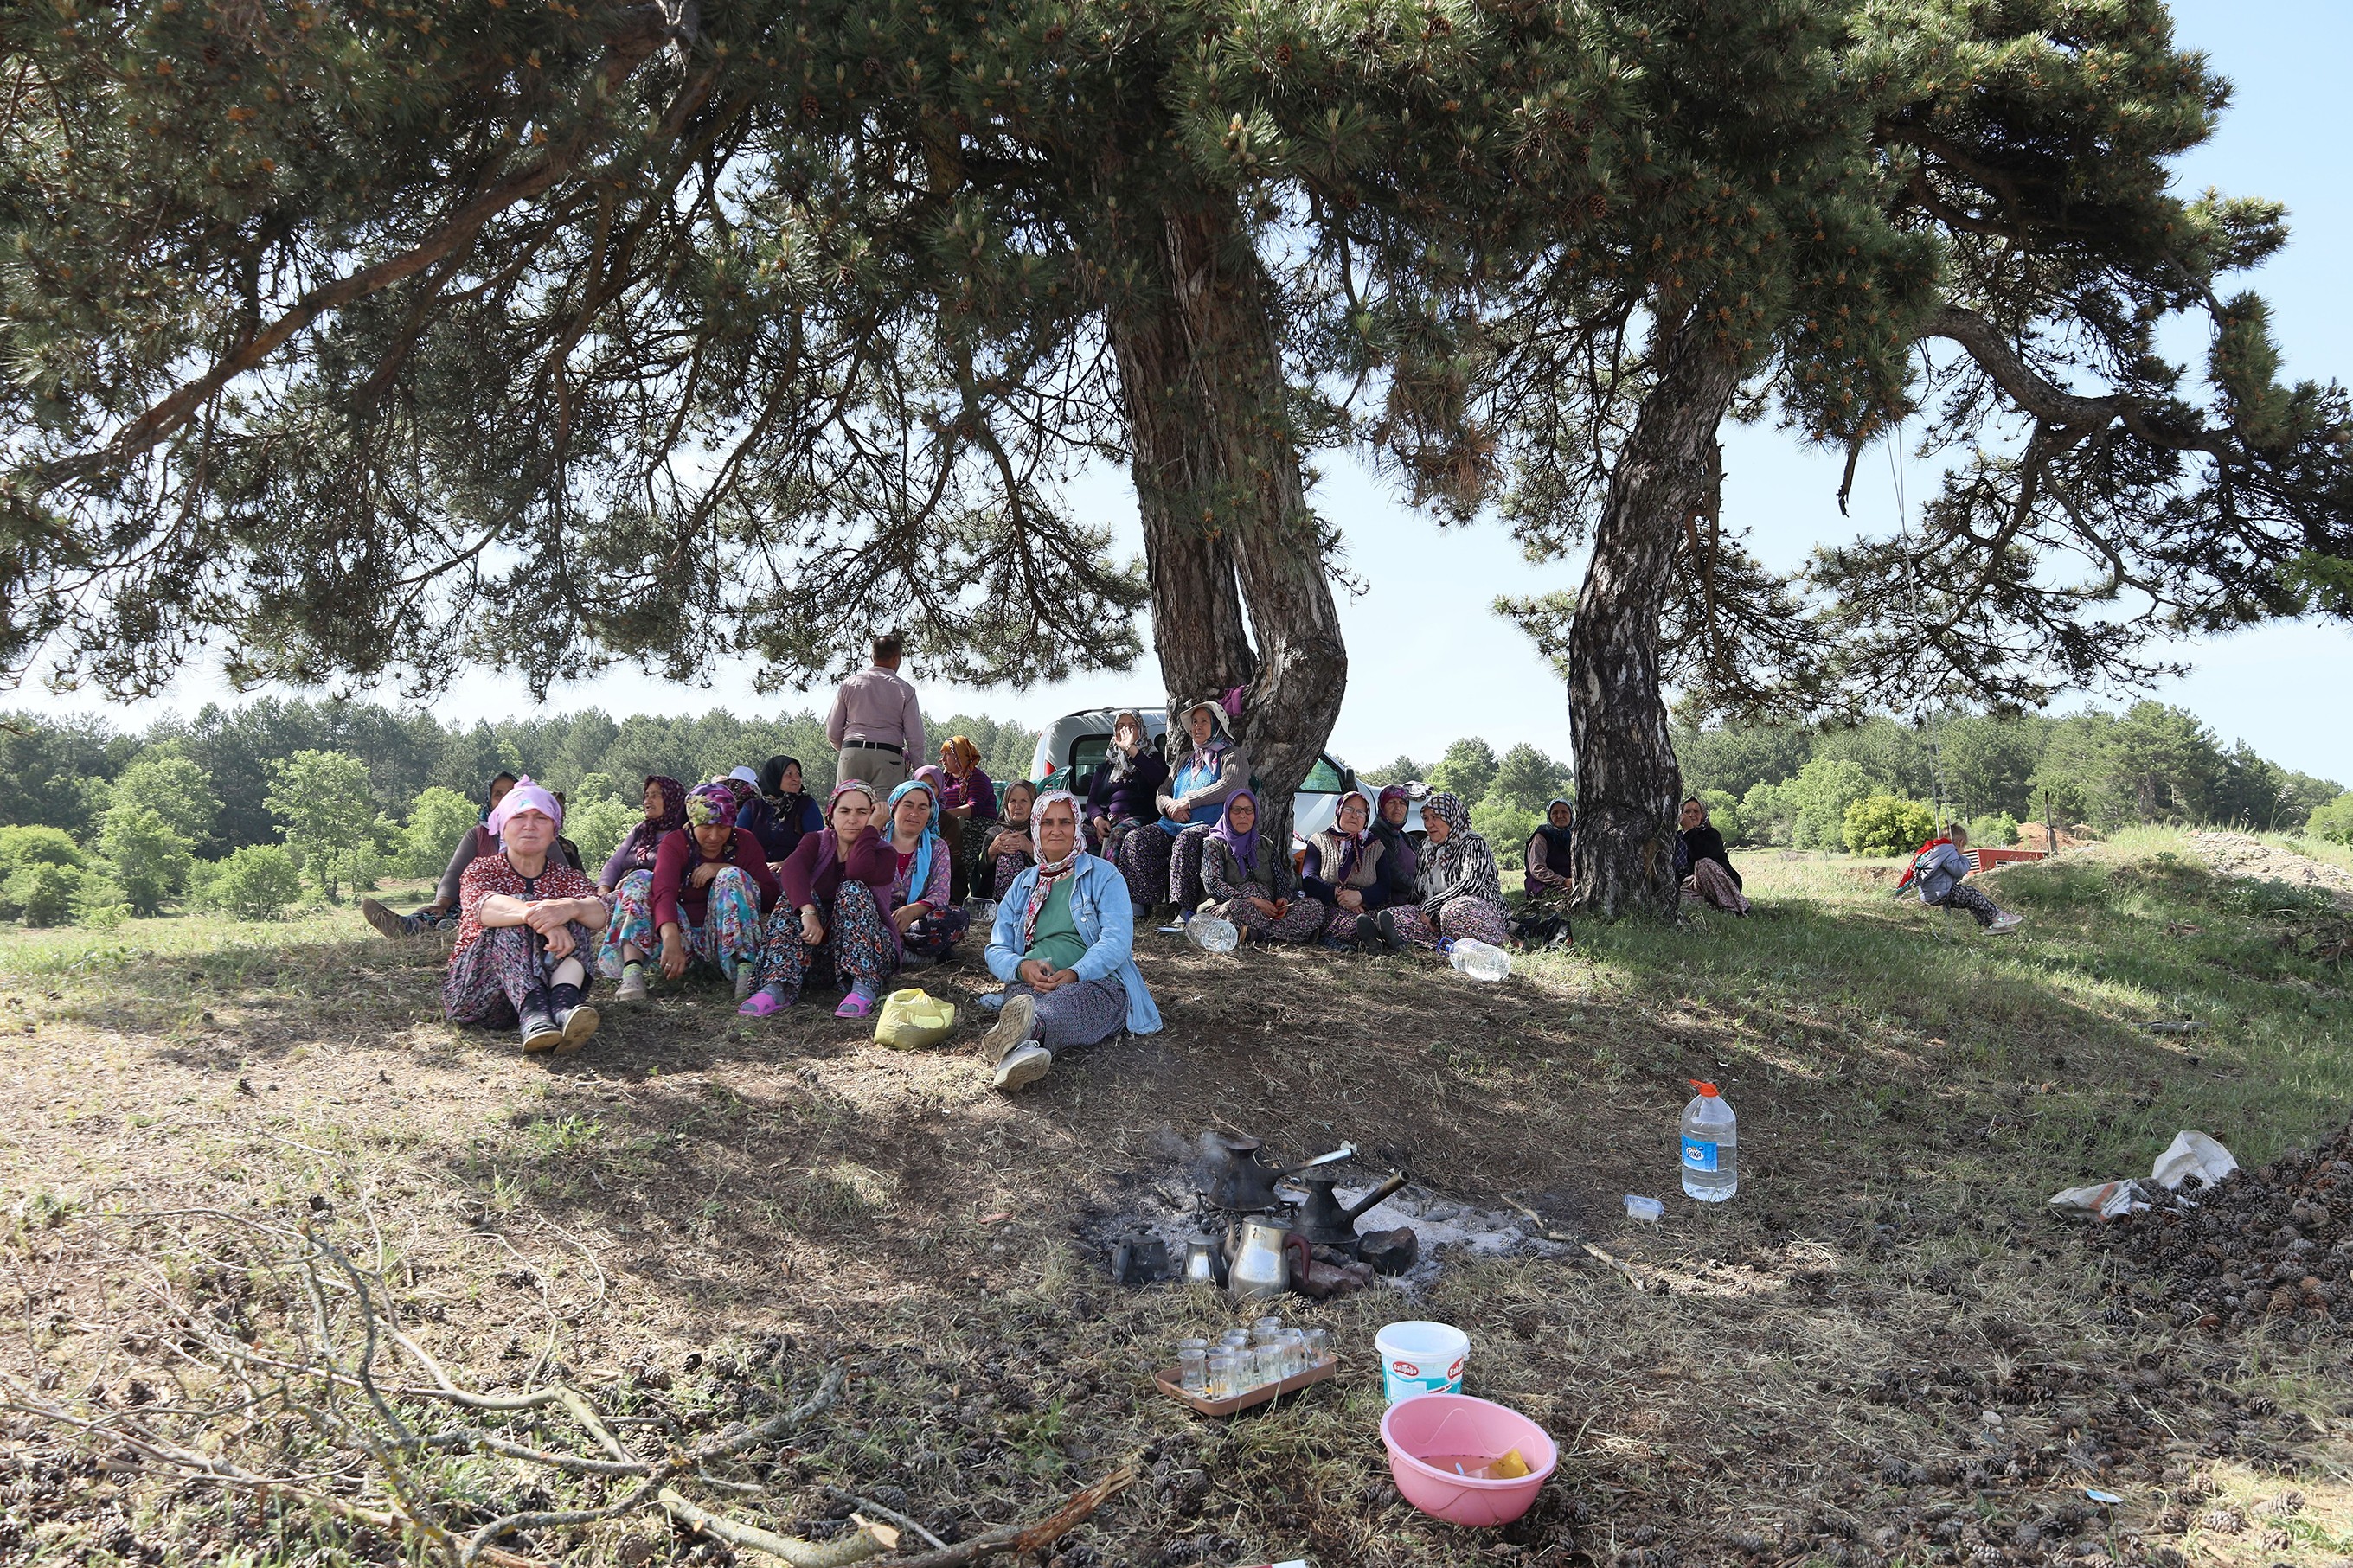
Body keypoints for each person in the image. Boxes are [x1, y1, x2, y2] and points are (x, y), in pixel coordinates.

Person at [979, 790, 1164, 1091]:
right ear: (1035, 828)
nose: (1056, 830)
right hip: (1031, 983)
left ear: (1077, 827)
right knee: (1026, 999)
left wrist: (1077, 972)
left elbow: (1116, 941)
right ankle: (1022, 1050)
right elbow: (996, 948)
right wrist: (1022, 967)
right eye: (1047, 822)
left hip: (1096, 981)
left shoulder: (1104, 875)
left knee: (1070, 1003)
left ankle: (1025, 1034)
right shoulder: (1023, 883)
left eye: (1065, 822)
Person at [440, 778, 609, 1053]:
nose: (529, 825)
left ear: (554, 831)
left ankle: (563, 1007)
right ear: (502, 829)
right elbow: (482, 907)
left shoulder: (566, 877)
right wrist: (538, 914)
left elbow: (601, 913)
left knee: (573, 909)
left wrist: (568, 908)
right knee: (517, 914)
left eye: (540, 818)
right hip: (482, 994)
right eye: (519, 817)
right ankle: (534, 1015)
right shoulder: (482, 869)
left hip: (552, 989)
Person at [599, 782, 780, 1002]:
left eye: (722, 827)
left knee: (732, 876)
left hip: (722, 941)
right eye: (706, 826)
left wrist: (724, 869)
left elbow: (770, 897)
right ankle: (632, 972)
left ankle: (745, 972)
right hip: (678, 940)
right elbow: (663, 892)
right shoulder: (676, 843)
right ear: (691, 822)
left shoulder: (745, 842)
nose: (714, 836)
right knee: (640, 879)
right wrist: (671, 938)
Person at [742, 782, 901, 1018]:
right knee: (793, 900)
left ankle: (863, 988)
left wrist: (871, 830)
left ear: (872, 816)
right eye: (844, 811)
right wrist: (808, 913)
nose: (853, 819)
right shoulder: (816, 841)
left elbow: (859, 871)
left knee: (852, 889)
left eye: (862, 812)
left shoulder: (884, 852)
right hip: (816, 957)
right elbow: (792, 870)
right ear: (832, 815)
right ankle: (777, 986)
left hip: (871, 956)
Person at [1115, 698, 1249, 918]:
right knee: (1136, 839)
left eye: (1204, 721)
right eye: (1194, 722)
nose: (1197, 726)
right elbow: (1162, 791)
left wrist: (1188, 801)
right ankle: (1139, 903)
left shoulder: (1231, 755)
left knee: (1186, 840)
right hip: (1171, 824)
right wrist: (1170, 807)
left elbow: (1231, 784)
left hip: (1209, 826)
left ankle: (1183, 908)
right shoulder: (1185, 759)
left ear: (1217, 725)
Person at [362, 771, 516, 938]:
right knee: (445, 911)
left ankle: (450, 929)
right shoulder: (478, 835)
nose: (505, 799)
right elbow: (455, 872)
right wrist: (442, 903)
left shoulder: (542, 831)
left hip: (521, 903)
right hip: (480, 900)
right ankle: (409, 926)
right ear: (490, 802)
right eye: (498, 794)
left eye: (512, 793)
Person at [1375, 790, 1510, 950]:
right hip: (1436, 914)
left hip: (1476, 910)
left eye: (1435, 818)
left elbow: (1470, 884)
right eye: (1426, 818)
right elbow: (1418, 891)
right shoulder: (1426, 847)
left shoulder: (1473, 844)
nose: (1428, 824)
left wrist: (1431, 907)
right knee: (1394, 917)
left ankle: (1498, 938)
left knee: (1454, 911)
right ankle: (1444, 941)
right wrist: (1406, 908)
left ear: (1452, 818)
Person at [1194, 788, 1325, 944]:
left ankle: (1258, 935)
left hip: (1269, 910)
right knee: (1233, 910)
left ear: (1255, 814)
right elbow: (1213, 884)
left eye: (1248, 810)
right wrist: (1252, 901)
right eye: (1236, 810)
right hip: (1231, 906)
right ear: (1227, 813)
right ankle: (1290, 934)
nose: (1243, 815)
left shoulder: (1265, 844)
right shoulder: (1214, 844)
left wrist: (1283, 899)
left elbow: (1280, 879)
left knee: (1315, 907)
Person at [881, 776, 971, 970]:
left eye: (923, 807)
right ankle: (916, 955)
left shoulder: (937, 846)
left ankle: (890, 950)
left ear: (930, 813)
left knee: (957, 917)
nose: (914, 813)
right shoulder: (876, 842)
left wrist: (910, 911)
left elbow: (940, 894)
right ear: (894, 807)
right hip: (881, 918)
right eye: (908, 805)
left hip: (917, 922)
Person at [825, 632, 926, 794]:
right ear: (896, 659)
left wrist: (847, 748)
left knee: (849, 810)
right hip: (889, 757)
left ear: (872, 656)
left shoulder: (850, 684)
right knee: (884, 812)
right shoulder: (905, 690)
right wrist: (919, 771)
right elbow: (915, 738)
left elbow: (832, 730)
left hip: (853, 752)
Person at [1301, 788, 1390, 949]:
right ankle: (1370, 940)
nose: (1354, 815)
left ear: (1366, 818)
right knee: (1345, 922)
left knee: (1376, 920)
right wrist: (1339, 895)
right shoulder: (1320, 840)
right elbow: (1308, 878)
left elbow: (1385, 885)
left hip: (1365, 905)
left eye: (1360, 812)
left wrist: (1361, 896)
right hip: (1330, 903)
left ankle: (1371, 938)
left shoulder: (1376, 846)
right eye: (1349, 809)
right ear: (1339, 811)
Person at [1899, 822, 2023, 934]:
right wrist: (1964, 859)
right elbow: (1959, 871)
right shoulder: (1949, 851)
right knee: (1973, 894)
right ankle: (1999, 917)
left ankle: (1990, 925)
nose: (1963, 850)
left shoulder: (1938, 850)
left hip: (1933, 893)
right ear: (1960, 842)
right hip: (1940, 893)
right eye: (1964, 847)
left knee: (1972, 901)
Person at [1085, 711, 1167, 857]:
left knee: (1118, 834)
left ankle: (1110, 879)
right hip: (1108, 819)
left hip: (1138, 819)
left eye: (1131, 726)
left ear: (1140, 730)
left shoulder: (1153, 759)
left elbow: (1158, 778)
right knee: (1079, 834)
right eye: (1121, 726)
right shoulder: (1106, 767)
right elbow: (1092, 800)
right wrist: (1098, 820)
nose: (1125, 730)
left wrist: (1131, 748)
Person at [596, 776, 689, 893]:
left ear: (672, 799)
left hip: (652, 896)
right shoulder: (640, 830)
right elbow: (614, 863)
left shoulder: (683, 834)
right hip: (619, 894)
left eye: (655, 795)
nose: (647, 801)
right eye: (646, 796)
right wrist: (603, 889)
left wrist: (636, 880)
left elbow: (676, 873)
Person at [936, 735, 998, 902]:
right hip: (951, 825)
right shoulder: (945, 779)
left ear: (959, 756)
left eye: (947, 754)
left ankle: (954, 897)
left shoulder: (977, 778)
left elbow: (974, 808)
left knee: (958, 855)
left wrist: (945, 814)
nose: (942, 759)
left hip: (977, 826)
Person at [737, 755, 824, 866]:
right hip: (756, 870)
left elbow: (816, 844)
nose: (796, 779)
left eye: (798, 774)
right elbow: (739, 843)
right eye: (789, 774)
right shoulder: (753, 808)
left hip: (796, 870)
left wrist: (787, 864)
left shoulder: (806, 805)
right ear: (775, 777)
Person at [1676, 797, 1751, 915]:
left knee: (1702, 864)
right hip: (1693, 886)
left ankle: (1736, 908)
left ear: (1703, 815)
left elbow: (1699, 854)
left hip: (1721, 883)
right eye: (1687, 812)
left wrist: (1689, 830)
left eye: (1696, 811)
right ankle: (1718, 909)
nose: (1691, 815)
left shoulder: (1711, 835)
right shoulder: (1677, 838)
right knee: (1683, 902)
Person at [979, 778, 1041, 900]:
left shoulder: (1041, 832)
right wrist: (992, 851)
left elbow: (1053, 865)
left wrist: (1029, 847)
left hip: (1034, 900)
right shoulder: (994, 834)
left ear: (1033, 804)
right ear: (1006, 804)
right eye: (1012, 801)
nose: (1017, 806)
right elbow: (981, 871)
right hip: (995, 903)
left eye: (1024, 801)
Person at [1369, 784, 1421, 911]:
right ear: (1381, 806)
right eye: (1391, 802)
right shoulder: (1376, 835)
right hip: (1396, 905)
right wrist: (1422, 890)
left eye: (1402, 803)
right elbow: (1394, 876)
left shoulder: (1405, 837)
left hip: (1416, 897)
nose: (1398, 808)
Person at [1524, 798, 1576, 905]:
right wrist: (1563, 881)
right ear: (1549, 816)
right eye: (1555, 813)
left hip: (1571, 882)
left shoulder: (1576, 835)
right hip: (1543, 885)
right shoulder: (1542, 836)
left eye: (1564, 812)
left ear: (1571, 815)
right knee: (1572, 899)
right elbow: (1537, 868)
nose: (1560, 816)